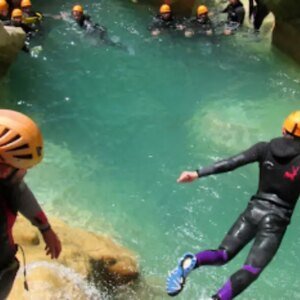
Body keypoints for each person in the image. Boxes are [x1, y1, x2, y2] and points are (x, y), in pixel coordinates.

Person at [166, 111, 300, 299]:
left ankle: (192, 262)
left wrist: (197, 173)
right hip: (275, 221)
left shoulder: (264, 148)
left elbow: (231, 162)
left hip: (253, 211)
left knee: (223, 255)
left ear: (283, 128)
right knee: (251, 269)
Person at [0, 109, 61, 299]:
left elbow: (19, 190)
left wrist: (45, 228)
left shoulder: (7, 181)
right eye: (23, 169)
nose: (26, 173)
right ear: (4, 169)